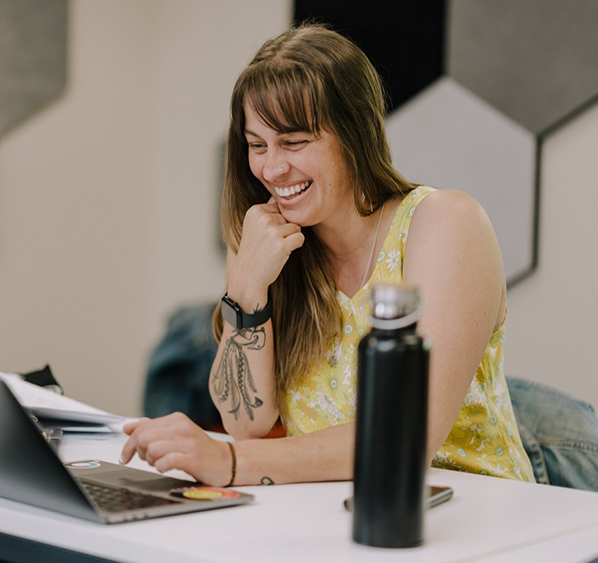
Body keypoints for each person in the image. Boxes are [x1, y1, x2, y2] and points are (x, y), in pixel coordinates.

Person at [120, 24, 535, 487]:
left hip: (472, 516)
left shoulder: (445, 223)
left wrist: (231, 463)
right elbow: (246, 422)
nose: (273, 168)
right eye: (257, 145)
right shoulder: (271, 243)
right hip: (330, 518)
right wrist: (246, 291)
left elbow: (406, 440)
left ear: (354, 134)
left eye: (294, 142)